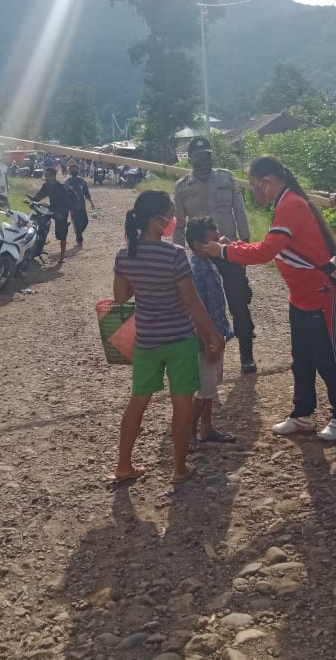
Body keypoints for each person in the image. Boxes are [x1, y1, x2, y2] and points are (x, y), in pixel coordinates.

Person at [201, 156, 336, 442]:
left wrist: (222, 252)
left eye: (254, 187)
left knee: (328, 357)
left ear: (265, 183)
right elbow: (268, 246)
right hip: (300, 296)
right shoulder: (285, 204)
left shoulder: (291, 205)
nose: (254, 194)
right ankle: (303, 413)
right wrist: (233, 246)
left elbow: (265, 252)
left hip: (321, 294)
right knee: (302, 358)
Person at [111, 190, 226, 484]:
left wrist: (142, 280)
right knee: (182, 403)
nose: (174, 220)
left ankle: (123, 465)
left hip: (147, 341)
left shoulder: (125, 255)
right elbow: (190, 301)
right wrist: (213, 334)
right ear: (156, 221)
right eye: (171, 215)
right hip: (179, 340)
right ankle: (178, 469)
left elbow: (121, 297)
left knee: (138, 401)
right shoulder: (174, 255)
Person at [173, 136, 258, 374]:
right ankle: (207, 355)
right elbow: (179, 225)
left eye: (208, 155)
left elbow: (239, 211)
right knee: (203, 306)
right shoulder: (182, 187)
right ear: (190, 159)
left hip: (227, 250)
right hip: (202, 256)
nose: (204, 159)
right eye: (199, 156)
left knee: (239, 302)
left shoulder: (226, 178)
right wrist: (179, 255)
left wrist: (245, 243)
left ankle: (247, 356)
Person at [185, 216, 237, 446]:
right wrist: (208, 343)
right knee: (203, 391)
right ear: (198, 245)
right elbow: (195, 312)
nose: (217, 245)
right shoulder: (195, 270)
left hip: (216, 336)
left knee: (210, 389)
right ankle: (187, 434)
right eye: (212, 241)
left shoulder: (210, 264)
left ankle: (206, 428)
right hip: (204, 341)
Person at [30, 165, 73, 264]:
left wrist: (63, 212)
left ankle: (62, 258)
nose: (45, 177)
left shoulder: (61, 187)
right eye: (45, 175)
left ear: (53, 176)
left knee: (61, 235)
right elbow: (40, 195)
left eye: (47, 175)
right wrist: (32, 200)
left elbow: (67, 202)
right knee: (39, 224)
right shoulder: (46, 185)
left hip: (61, 211)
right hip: (52, 208)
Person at [64, 161, 95, 247]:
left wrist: (91, 202)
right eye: (72, 169)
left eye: (75, 169)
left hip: (82, 206)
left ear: (78, 170)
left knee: (85, 222)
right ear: (69, 171)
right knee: (76, 224)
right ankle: (79, 239)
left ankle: (78, 234)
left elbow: (86, 193)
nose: (74, 170)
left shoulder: (82, 181)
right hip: (73, 207)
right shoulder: (67, 182)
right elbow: (64, 196)